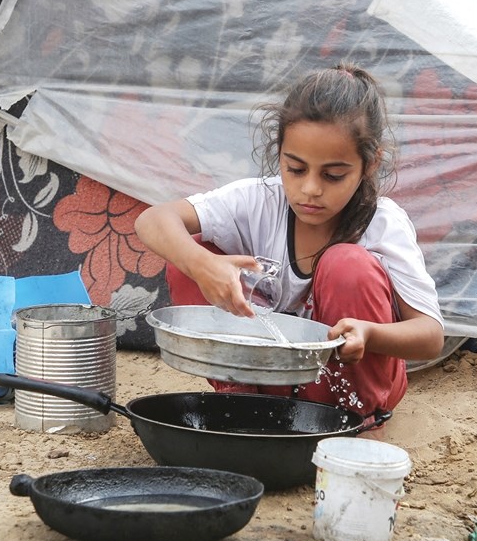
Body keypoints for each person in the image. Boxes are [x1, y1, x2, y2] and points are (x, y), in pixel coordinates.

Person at [135, 64, 445, 416]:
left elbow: (430, 336)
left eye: (333, 175)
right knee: (190, 252)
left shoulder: (382, 223)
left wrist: (370, 333)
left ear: (370, 164)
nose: (310, 189)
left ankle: (360, 421)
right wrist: (203, 264)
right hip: (271, 375)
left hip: (345, 381)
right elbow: (154, 219)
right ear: (280, 151)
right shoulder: (259, 201)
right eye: (295, 169)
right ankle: (241, 399)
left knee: (347, 265)